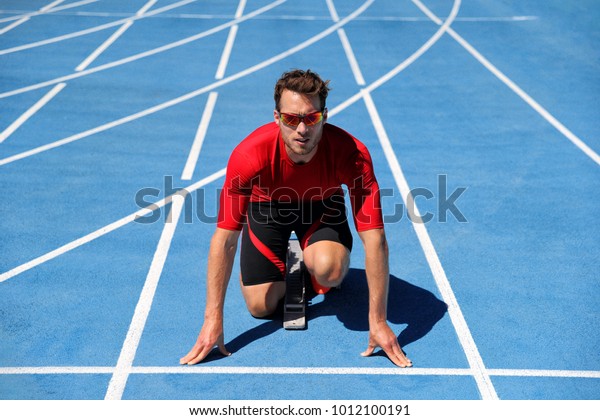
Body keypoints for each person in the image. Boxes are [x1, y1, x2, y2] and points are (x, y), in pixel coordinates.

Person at [180, 69, 412, 368]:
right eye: (291, 119)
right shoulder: (249, 155)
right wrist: (213, 320)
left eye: (311, 117)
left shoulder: (352, 154)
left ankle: (312, 258)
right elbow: (224, 239)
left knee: (330, 272)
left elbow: (375, 238)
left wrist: (378, 322)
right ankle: (292, 259)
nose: (302, 128)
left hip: (322, 205)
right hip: (267, 207)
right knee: (261, 307)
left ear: (324, 116)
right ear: (276, 117)